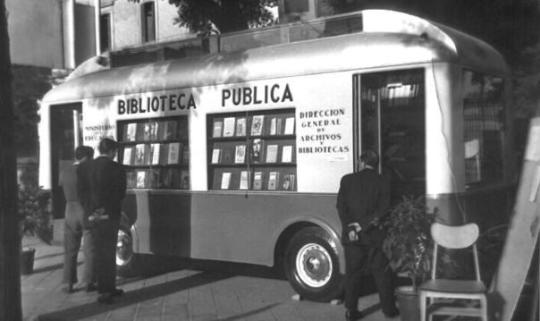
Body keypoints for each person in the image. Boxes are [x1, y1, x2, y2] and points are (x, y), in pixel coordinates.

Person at [336, 150, 399, 321]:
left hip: (353, 237)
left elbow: (341, 207)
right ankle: (389, 309)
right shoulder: (383, 181)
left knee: (352, 275)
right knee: (382, 274)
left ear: (361, 162)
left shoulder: (347, 180)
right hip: (375, 236)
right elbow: (384, 209)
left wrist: (351, 227)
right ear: (376, 164)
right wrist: (363, 225)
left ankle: (351, 311)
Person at [77, 138, 126, 304]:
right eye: (115, 151)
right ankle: (107, 289)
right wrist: (105, 210)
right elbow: (120, 193)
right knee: (109, 252)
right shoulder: (117, 168)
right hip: (110, 216)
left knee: (97, 251)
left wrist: (92, 210)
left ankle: (104, 287)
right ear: (112, 151)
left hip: (92, 216)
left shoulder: (84, 167)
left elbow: (81, 193)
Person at [59, 145, 96, 293]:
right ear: (87, 157)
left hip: (69, 209)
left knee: (70, 249)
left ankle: (68, 283)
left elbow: (62, 186)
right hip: (84, 209)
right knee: (90, 248)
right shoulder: (87, 172)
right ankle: (88, 281)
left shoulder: (65, 171)